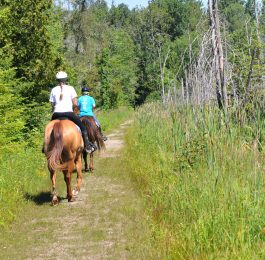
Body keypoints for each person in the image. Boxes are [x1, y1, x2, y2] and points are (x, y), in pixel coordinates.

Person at [49, 71, 97, 153]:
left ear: (57, 80)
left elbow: (52, 104)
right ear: (65, 79)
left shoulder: (53, 90)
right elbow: (75, 103)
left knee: (50, 130)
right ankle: (88, 146)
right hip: (69, 113)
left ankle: (46, 146)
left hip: (56, 114)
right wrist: (73, 105)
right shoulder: (70, 88)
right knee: (82, 127)